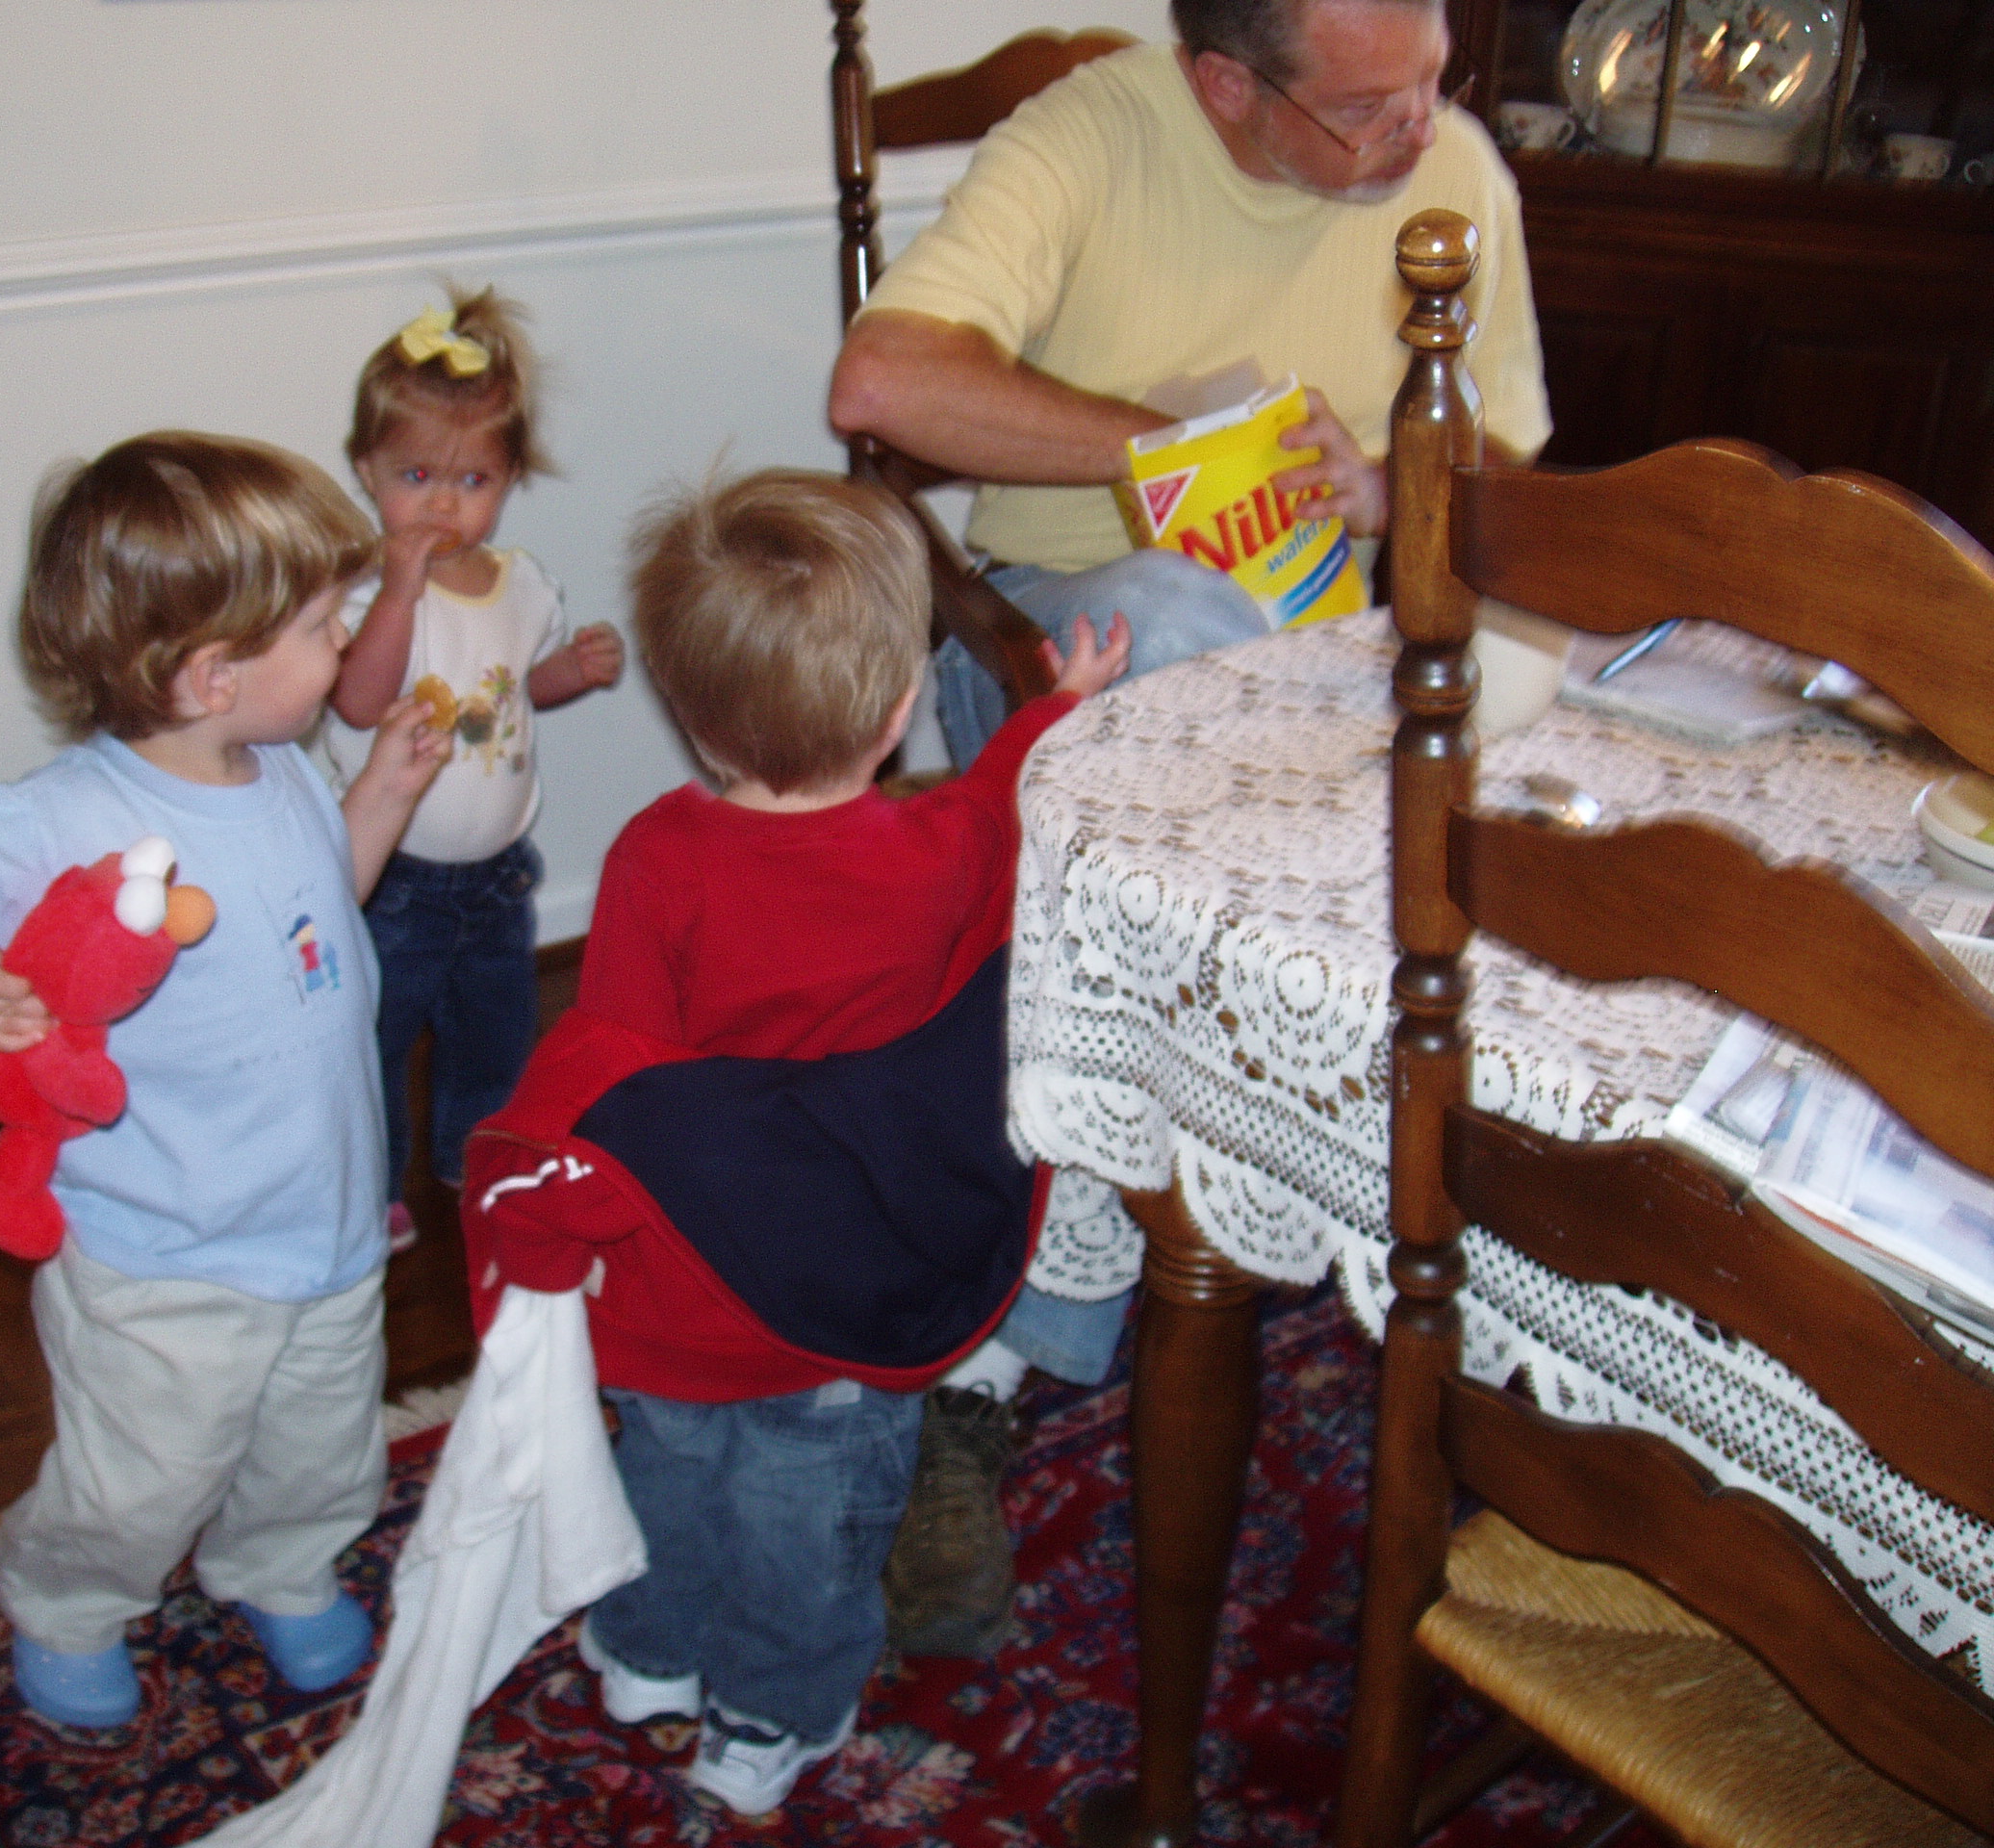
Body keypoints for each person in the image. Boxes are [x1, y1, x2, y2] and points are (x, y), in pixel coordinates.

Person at [827, 0, 1552, 1652]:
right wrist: (1165, 449)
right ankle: (1005, 1357)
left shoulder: (1455, 164)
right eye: (1368, 106)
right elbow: (882, 379)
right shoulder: (1094, 134)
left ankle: (1438, 1252)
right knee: (1173, 618)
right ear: (1228, 84)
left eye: (1434, 79)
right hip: (1070, 635)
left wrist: (1390, 480)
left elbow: (1506, 457)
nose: (1422, 128)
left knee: (1558, 734)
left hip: (1336, 661)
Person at [0, 432, 449, 1730]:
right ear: (211, 674)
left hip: (328, 1221)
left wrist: (385, 797)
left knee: (320, 1441)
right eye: (323, 628)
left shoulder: (282, 770)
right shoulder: (64, 817)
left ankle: (279, 1566)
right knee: (144, 1469)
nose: (345, 644)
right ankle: (68, 1600)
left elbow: (315, 917)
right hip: (166, 1251)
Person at [552, 470, 1127, 1813]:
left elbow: (607, 1061)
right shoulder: (931, 855)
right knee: (806, 1521)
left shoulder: (649, 858)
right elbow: (1001, 806)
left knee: (667, 1471)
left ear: (690, 712)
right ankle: (770, 1722)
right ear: (896, 710)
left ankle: (644, 1656)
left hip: (678, 1279)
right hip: (840, 1295)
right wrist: (1055, 709)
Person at [311, 288, 624, 1255]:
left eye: (473, 481)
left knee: (494, 1034)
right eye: (415, 476)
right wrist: (398, 598)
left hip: (497, 877)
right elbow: (356, 701)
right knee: (376, 1036)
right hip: (392, 879)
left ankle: (471, 1156)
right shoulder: (367, 595)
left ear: (510, 479)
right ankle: (370, 1182)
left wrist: (570, 673)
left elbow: (519, 687)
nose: (443, 504)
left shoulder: (522, 584)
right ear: (366, 470)